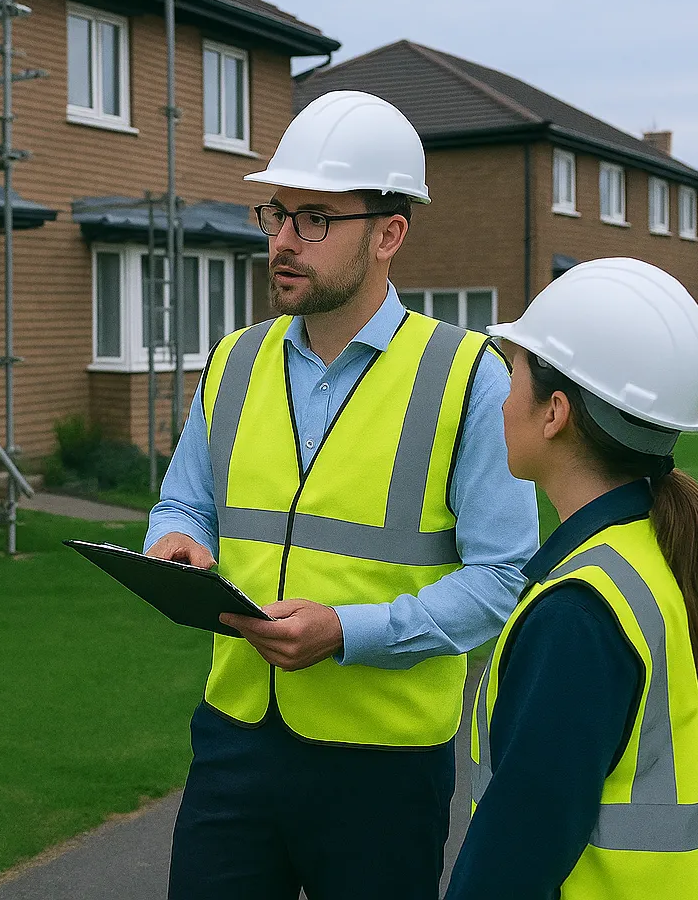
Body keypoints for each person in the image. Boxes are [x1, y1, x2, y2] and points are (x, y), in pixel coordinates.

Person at [147, 89, 540, 900]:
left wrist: (350, 633)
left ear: (390, 233)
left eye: (315, 219)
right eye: (277, 214)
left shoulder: (467, 376)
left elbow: (504, 580)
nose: (284, 242)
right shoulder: (233, 362)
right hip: (234, 740)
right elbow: (185, 501)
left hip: (383, 767)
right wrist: (173, 541)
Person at [446, 257, 698, 900]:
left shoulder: (579, 613)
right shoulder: (676, 559)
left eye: (513, 374)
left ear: (554, 412)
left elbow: (514, 858)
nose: (502, 399)